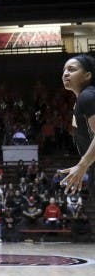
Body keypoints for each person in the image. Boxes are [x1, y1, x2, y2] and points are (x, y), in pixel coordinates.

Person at [60, 54, 95, 196]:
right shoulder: (83, 98)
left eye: (72, 69)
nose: (66, 73)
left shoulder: (88, 96)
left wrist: (82, 165)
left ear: (87, 75)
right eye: (64, 70)